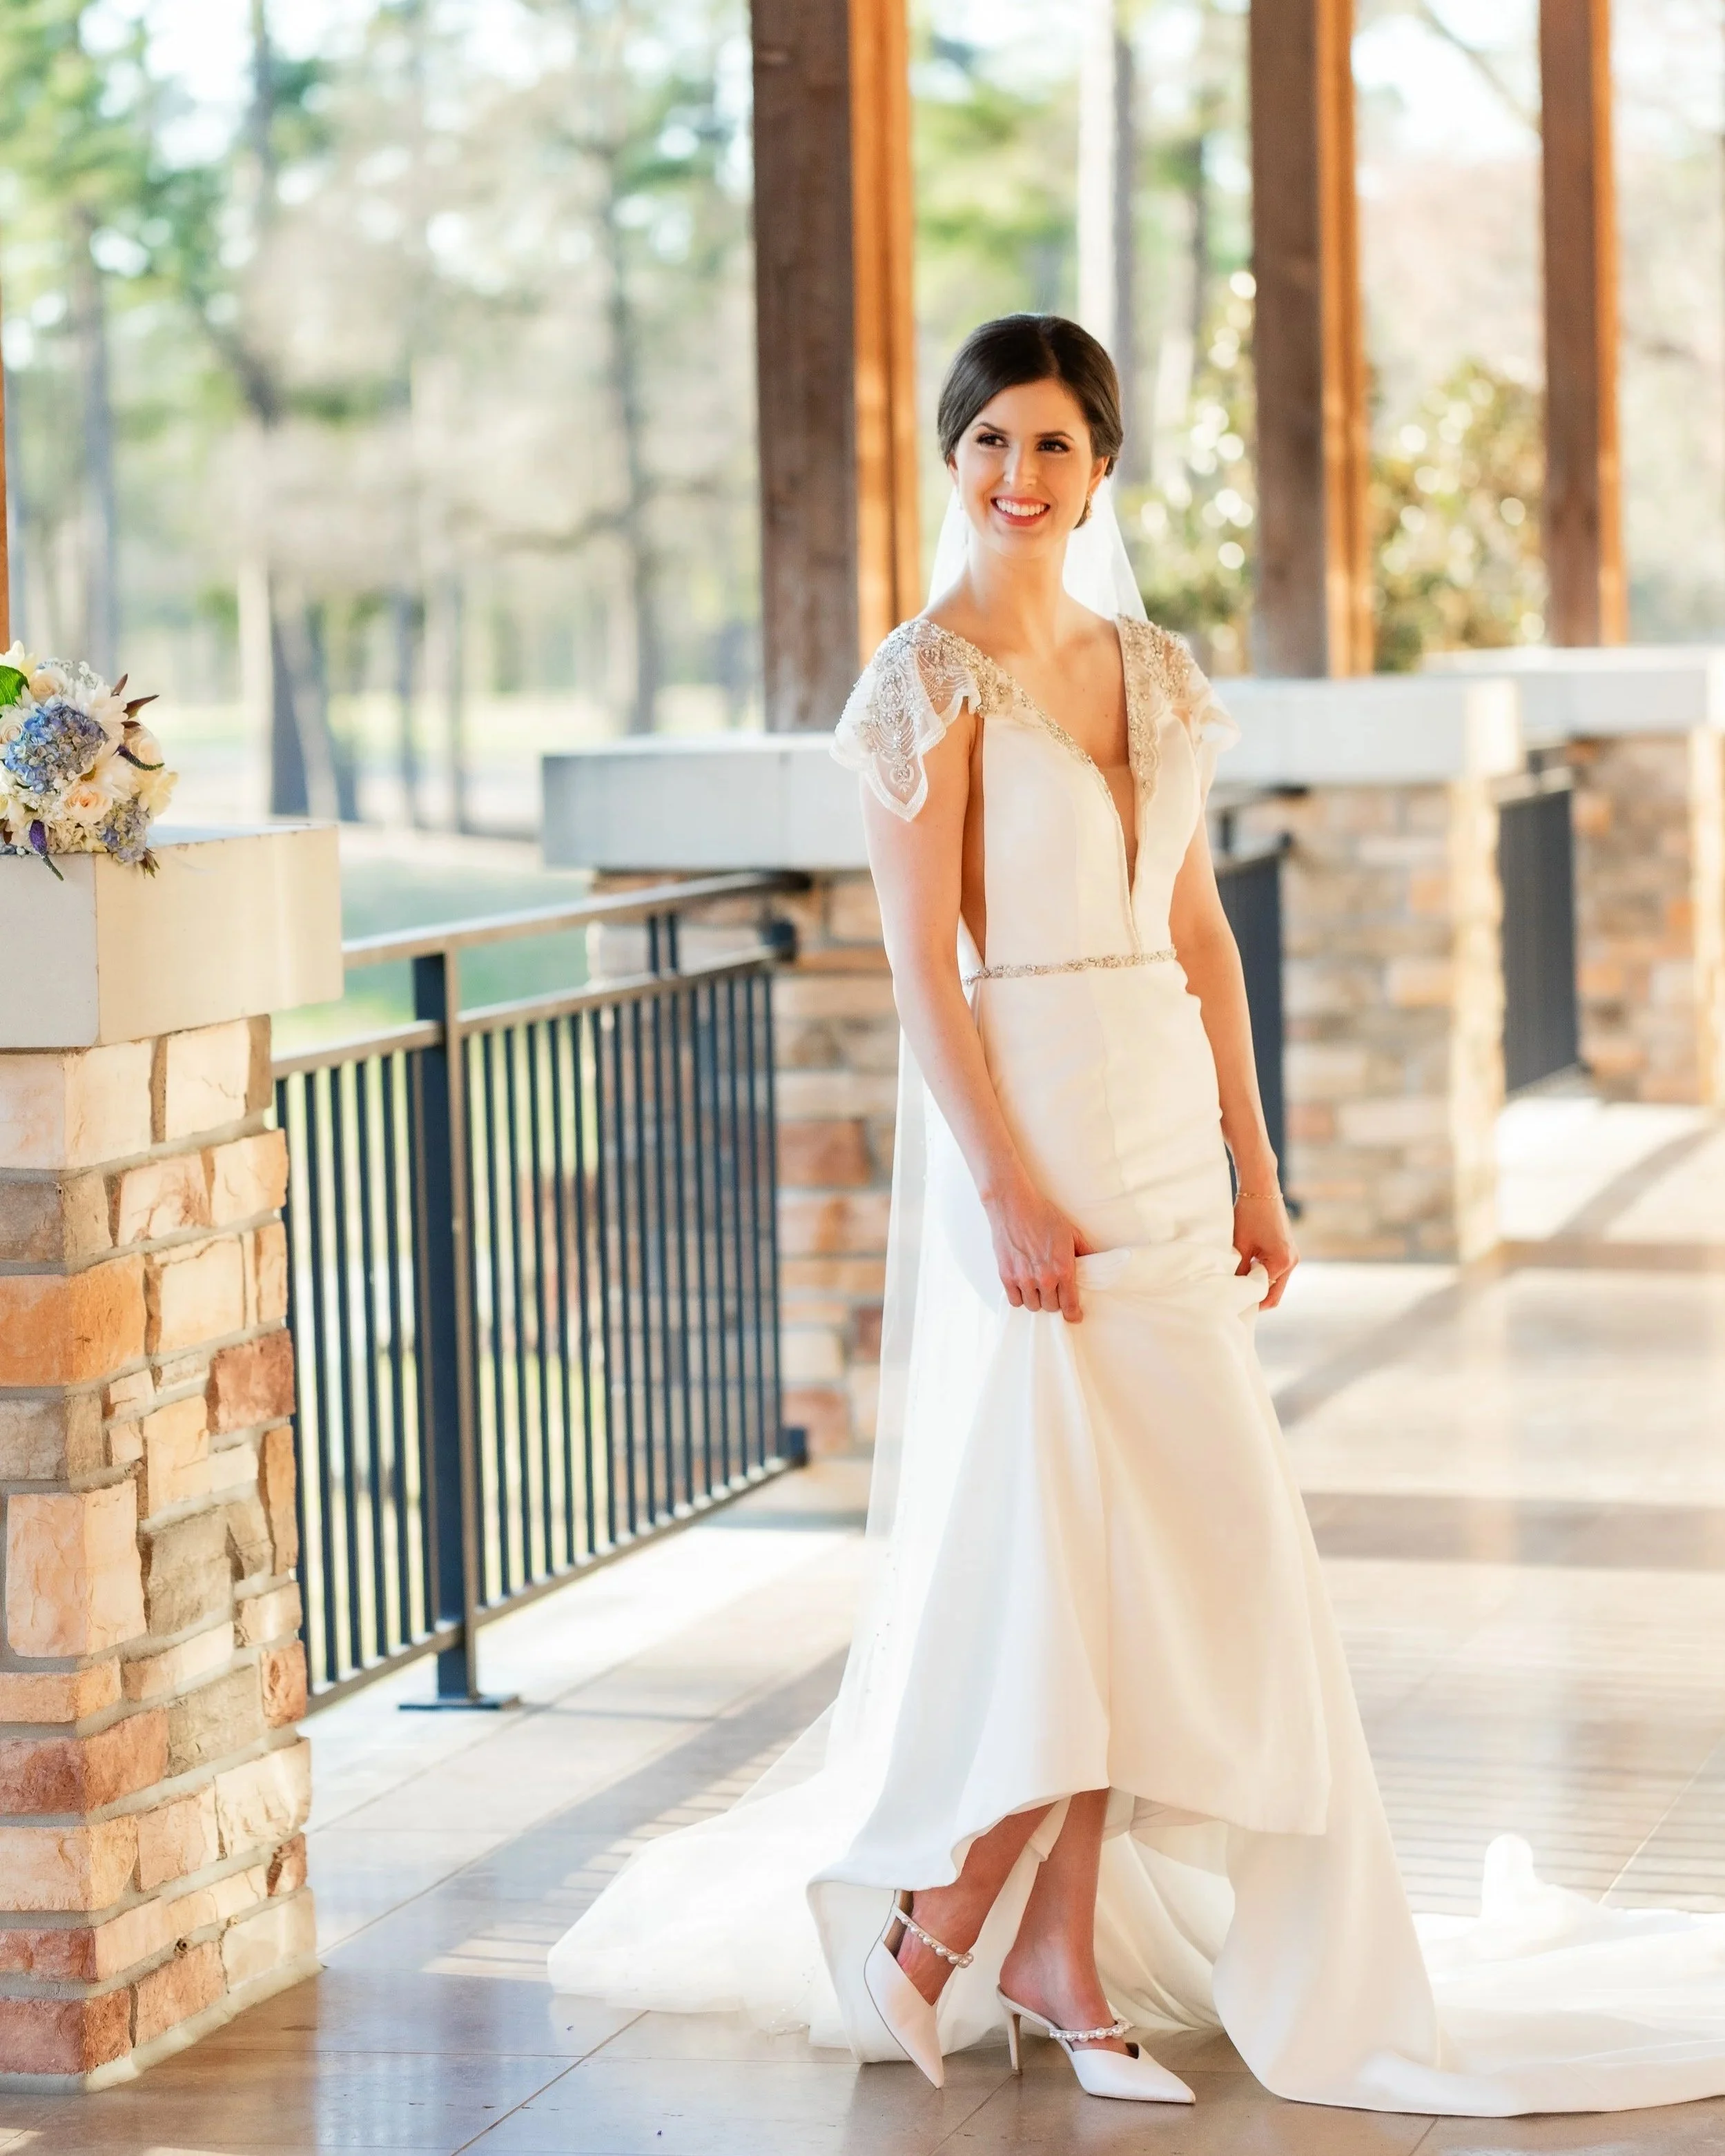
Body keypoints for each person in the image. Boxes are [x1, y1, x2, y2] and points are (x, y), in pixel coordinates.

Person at [550, 315, 1725, 2115]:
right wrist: (1006, 1185)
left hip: (1166, 1137)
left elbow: (1199, 936)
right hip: (1019, 1139)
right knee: (1059, 1544)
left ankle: (1009, 1931)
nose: (1018, 480)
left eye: (1052, 447)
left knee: (1183, 1545)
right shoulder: (918, 680)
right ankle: (985, 1930)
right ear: (955, 461)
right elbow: (925, 971)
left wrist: (1259, 1166)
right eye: (989, 445)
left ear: (1102, 468)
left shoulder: (1156, 670)